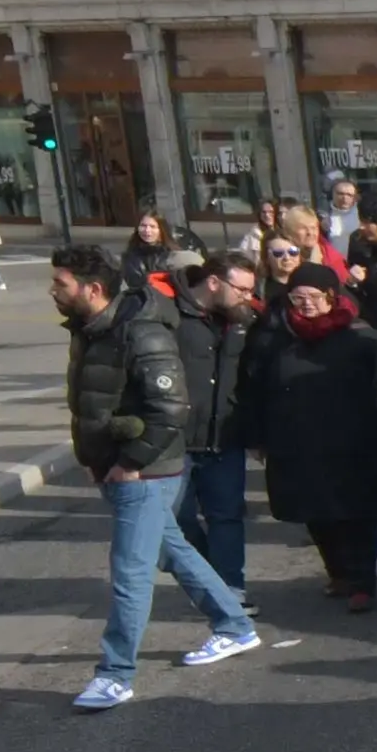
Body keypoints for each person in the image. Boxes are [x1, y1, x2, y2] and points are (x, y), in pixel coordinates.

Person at [55, 246, 261, 710]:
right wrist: (95, 457)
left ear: (92, 289)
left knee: (130, 573)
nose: (53, 291)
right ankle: (235, 625)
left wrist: (131, 462)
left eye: (60, 283)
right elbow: (92, 401)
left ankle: (115, 674)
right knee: (176, 551)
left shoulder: (141, 331)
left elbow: (170, 409)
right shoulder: (89, 329)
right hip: (118, 467)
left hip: (144, 473)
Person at [245, 261, 377, 608]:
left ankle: (362, 582)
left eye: (314, 297)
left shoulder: (363, 338)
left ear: (332, 297)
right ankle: (338, 572)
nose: (306, 304)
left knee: (358, 511)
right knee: (313, 508)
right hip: (296, 440)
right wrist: (256, 434)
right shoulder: (274, 337)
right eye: (298, 298)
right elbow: (254, 385)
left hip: (354, 441)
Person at [177, 254, 262, 598]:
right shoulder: (168, 315)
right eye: (241, 289)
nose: (248, 297)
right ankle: (208, 574)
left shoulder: (245, 320)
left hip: (225, 435)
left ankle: (230, 590)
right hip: (176, 440)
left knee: (226, 516)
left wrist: (254, 429)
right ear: (214, 283)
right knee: (176, 520)